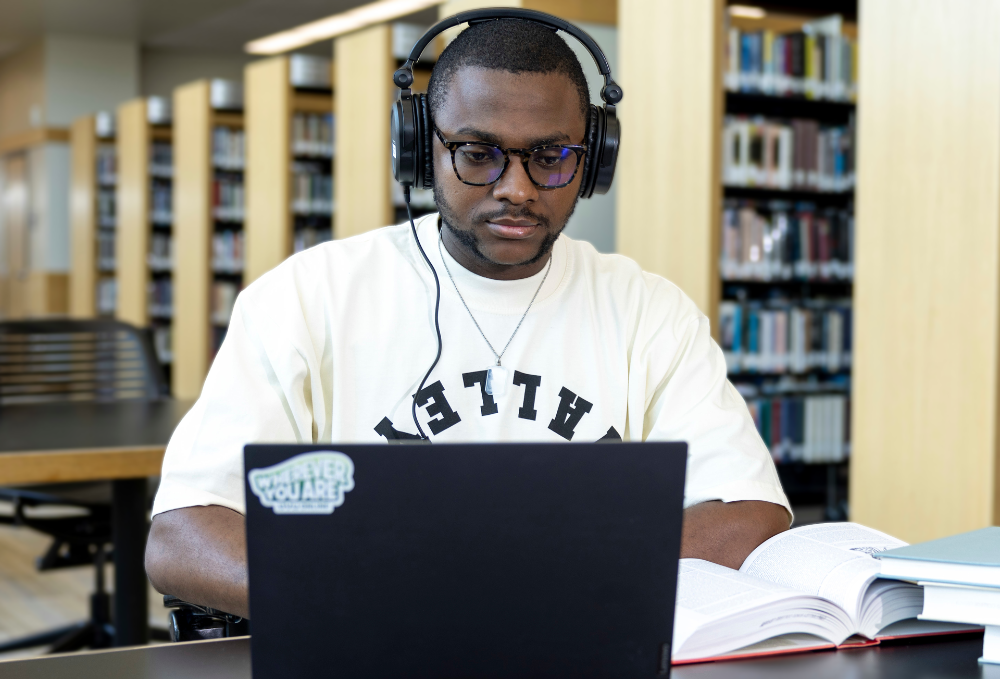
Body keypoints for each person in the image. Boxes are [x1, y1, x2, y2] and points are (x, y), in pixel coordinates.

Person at [145, 18, 791, 620]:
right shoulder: (305, 298)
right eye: (478, 154)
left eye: (551, 156)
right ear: (420, 150)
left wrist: (519, 582)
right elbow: (183, 533)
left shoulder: (652, 312)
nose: (517, 188)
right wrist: (393, 595)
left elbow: (750, 512)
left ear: (592, 162)